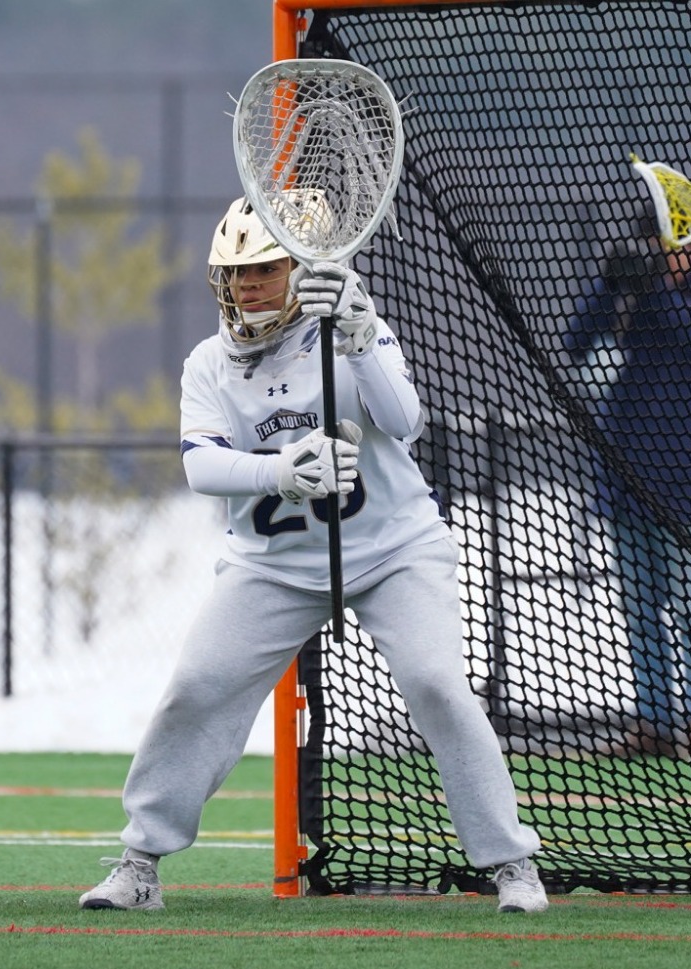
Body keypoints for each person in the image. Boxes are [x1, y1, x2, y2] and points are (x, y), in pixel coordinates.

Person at [78, 197, 546, 914]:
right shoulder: (208, 362)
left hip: (394, 549)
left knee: (437, 683)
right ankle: (140, 864)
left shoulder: (355, 326)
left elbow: (405, 421)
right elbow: (202, 466)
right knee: (198, 686)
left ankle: (511, 863)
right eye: (236, 274)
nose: (247, 287)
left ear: (299, 270)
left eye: (265, 270)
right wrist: (281, 472)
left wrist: (359, 339)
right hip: (272, 564)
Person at [561, 236, 691, 757]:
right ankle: (654, 720)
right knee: (639, 606)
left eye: (672, 243)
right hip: (628, 476)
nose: (664, 253)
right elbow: (577, 342)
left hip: (690, 481)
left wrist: (656, 291)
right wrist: (611, 285)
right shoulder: (635, 291)